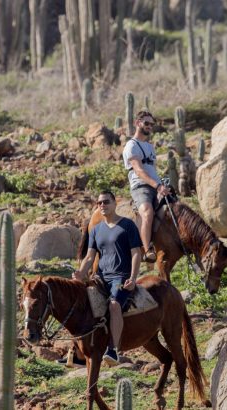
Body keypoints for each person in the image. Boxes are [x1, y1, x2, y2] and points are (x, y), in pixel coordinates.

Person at [73, 191, 143, 365]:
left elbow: (136, 254)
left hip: (121, 276)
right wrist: (80, 274)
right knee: (78, 302)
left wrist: (133, 278)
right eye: (99, 203)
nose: (102, 206)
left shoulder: (128, 225)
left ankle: (113, 350)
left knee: (114, 305)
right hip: (101, 277)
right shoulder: (96, 229)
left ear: (114, 203)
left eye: (106, 202)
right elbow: (90, 257)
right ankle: (76, 353)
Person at [122, 111, 169, 263]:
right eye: (146, 123)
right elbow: (139, 170)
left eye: (152, 124)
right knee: (147, 212)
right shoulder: (131, 145)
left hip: (156, 185)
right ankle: (147, 249)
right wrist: (157, 185)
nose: (149, 126)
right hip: (140, 185)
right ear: (137, 123)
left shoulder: (150, 146)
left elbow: (152, 170)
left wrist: (161, 184)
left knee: (176, 208)